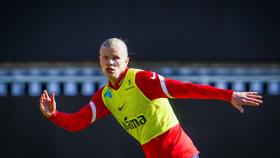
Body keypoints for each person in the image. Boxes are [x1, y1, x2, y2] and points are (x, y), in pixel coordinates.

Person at [40, 38, 263, 158]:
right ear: (99, 61)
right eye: (105, 58)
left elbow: (186, 88)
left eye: (116, 58)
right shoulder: (106, 96)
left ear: (126, 61)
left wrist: (229, 95)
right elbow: (77, 122)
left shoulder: (142, 80)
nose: (110, 63)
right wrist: (54, 115)